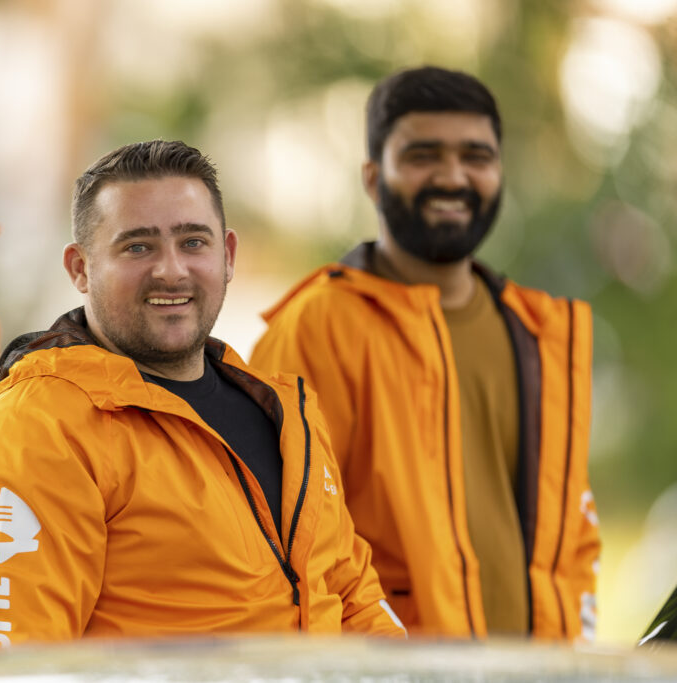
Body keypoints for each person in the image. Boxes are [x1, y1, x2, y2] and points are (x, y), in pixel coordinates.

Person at [0, 139, 405, 651]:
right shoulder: (33, 433)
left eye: (193, 242)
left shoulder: (286, 414)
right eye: (137, 247)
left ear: (227, 255)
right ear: (80, 269)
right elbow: (15, 666)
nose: (171, 270)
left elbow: (353, 595)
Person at [250, 66, 600, 641]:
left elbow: (572, 537)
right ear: (372, 177)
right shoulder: (318, 327)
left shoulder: (540, 332)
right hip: (397, 672)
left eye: (476, 156)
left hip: (542, 668)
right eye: (423, 155)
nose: (452, 176)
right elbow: (279, 545)